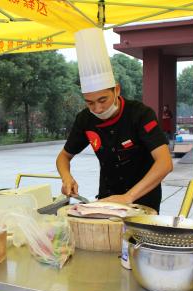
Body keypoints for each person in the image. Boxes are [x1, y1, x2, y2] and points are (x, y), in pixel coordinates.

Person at [56, 28, 173, 213]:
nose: (98, 109)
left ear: (116, 90)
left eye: (103, 100)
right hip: (106, 198)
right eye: (90, 103)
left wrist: (128, 197)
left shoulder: (140, 114)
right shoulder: (85, 119)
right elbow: (64, 156)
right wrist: (66, 177)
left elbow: (165, 163)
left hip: (142, 200)